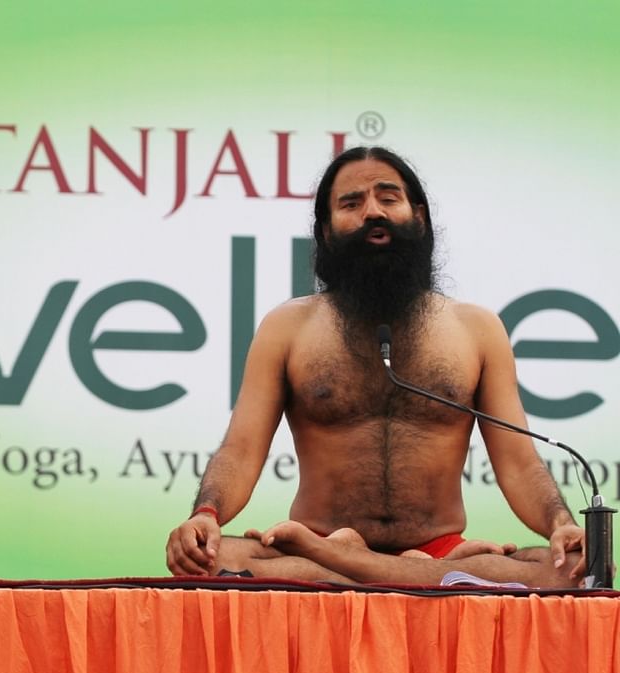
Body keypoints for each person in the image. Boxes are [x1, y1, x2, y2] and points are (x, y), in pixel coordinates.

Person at [164, 146, 584, 588]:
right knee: (208, 559)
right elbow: (241, 450)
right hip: (320, 545)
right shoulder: (287, 327)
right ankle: (424, 577)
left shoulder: (476, 329)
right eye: (351, 203)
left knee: (573, 569)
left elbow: (518, 463)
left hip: (421, 549)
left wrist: (560, 525)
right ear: (326, 231)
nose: (372, 213)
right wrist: (205, 517)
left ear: (417, 216)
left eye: (388, 198)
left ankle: (399, 568)